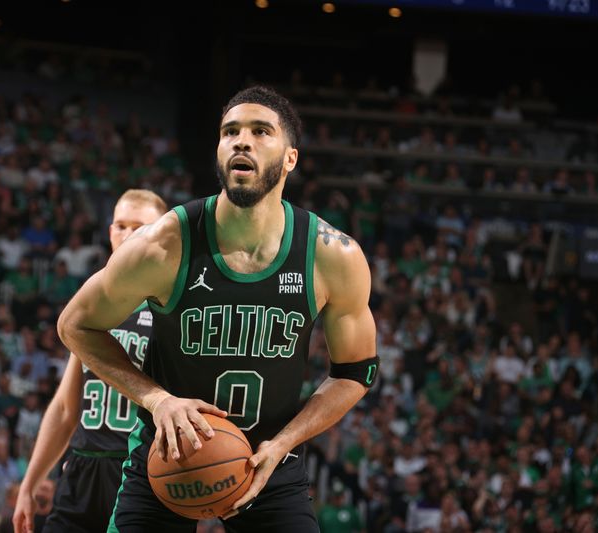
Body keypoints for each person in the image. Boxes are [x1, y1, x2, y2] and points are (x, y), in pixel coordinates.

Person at [57, 86, 377, 532]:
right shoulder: (164, 244)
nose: (241, 141)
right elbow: (75, 325)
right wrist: (158, 399)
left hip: (271, 460)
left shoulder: (331, 254)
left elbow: (353, 373)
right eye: (230, 132)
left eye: (260, 131)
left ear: (290, 159)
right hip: (166, 454)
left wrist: (284, 442)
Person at [13, 189, 168, 533]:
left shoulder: (173, 308)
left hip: (141, 472)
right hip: (81, 471)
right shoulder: (94, 302)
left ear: (161, 235)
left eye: (139, 226)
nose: (127, 235)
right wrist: (30, 483)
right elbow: (67, 409)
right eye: (120, 226)